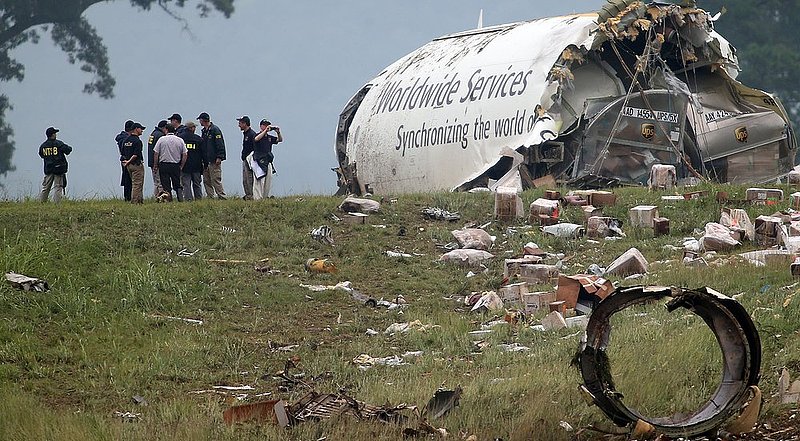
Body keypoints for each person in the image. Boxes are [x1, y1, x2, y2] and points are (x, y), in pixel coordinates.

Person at [153, 125, 188, 202]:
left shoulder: (161, 140)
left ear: (166, 130)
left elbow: (156, 153)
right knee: (177, 184)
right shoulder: (180, 140)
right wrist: (181, 165)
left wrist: (155, 165)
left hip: (164, 164)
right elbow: (185, 154)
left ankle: (169, 200)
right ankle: (180, 199)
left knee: (165, 184)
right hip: (175, 165)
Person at [38, 127, 73, 202]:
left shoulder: (43, 146)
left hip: (49, 169)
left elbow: (41, 155)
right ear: (53, 135)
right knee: (58, 187)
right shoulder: (58, 144)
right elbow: (68, 150)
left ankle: (42, 203)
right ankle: (57, 204)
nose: (55, 134)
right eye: (55, 133)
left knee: (46, 188)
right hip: (58, 169)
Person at [252, 118, 283, 200]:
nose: (266, 126)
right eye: (264, 125)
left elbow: (280, 140)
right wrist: (265, 131)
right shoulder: (257, 135)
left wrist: (278, 132)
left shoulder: (269, 138)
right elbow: (256, 139)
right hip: (258, 160)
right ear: (261, 126)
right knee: (259, 179)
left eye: (267, 125)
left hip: (267, 160)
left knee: (268, 180)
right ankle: (257, 197)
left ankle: (265, 196)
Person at [198, 112, 227, 199]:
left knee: (215, 179)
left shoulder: (215, 130)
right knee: (206, 180)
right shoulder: (204, 131)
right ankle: (210, 196)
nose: (200, 122)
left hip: (214, 159)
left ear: (203, 120)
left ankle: (222, 196)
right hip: (206, 160)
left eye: (200, 120)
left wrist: (220, 156)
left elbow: (220, 144)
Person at [179, 121, 205, 201]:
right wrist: (204, 163)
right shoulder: (198, 139)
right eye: (194, 127)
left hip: (185, 165)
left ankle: (188, 200)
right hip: (196, 165)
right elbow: (203, 152)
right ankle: (199, 199)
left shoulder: (180, 138)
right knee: (197, 184)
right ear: (191, 128)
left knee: (186, 184)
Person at [121, 122, 146, 204]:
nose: (142, 131)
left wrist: (127, 162)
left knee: (134, 183)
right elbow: (136, 154)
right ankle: (135, 201)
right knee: (137, 184)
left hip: (128, 166)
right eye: (140, 129)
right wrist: (129, 161)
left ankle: (140, 201)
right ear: (136, 129)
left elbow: (123, 153)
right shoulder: (137, 141)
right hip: (136, 164)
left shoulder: (126, 140)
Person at [237, 115, 256, 200]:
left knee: (249, 178)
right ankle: (248, 194)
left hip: (250, 159)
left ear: (245, 123)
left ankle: (252, 195)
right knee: (245, 179)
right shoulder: (245, 134)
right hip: (245, 159)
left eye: (240, 123)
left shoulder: (251, 134)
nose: (239, 125)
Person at [147, 120, 168, 197]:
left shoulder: (153, 134)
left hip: (151, 161)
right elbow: (159, 150)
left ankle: (156, 196)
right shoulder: (160, 136)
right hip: (157, 162)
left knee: (156, 182)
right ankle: (161, 197)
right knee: (160, 182)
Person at [116, 120, 134, 201]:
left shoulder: (121, 138)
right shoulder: (126, 139)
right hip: (128, 159)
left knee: (126, 178)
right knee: (128, 179)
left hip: (123, 159)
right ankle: (128, 197)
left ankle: (127, 197)